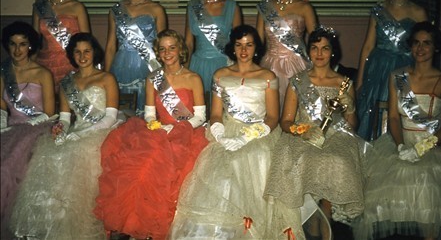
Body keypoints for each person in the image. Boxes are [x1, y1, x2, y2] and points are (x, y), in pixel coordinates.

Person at [353, 22, 441, 240]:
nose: (420, 49)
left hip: (433, 143)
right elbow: (393, 117)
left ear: (436, 48)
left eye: (426, 44)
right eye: (416, 43)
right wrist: (401, 145)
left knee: (429, 190)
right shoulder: (398, 76)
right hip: (400, 140)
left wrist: (420, 149)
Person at [169, 24, 282, 239]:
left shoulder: (268, 76)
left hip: (258, 132)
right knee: (218, 169)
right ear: (233, 47)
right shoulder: (220, 75)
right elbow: (216, 114)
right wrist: (220, 133)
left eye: (249, 45)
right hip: (227, 130)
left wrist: (247, 136)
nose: (243, 50)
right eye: (239, 45)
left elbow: (273, 117)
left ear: (256, 48)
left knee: (257, 157)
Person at [94, 29, 208, 239]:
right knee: (139, 170)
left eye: (172, 48)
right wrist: (156, 126)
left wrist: (178, 129)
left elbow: (200, 117)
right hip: (158, 133)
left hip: (187, 134)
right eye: (162, 49)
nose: (167, 53)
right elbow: (148, 114)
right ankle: (133, 224)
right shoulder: (153, 78)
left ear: (180, 50)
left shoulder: (193, 78)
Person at [9, 32, 123, 239]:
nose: (82, 56)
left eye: (86, 51)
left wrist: (82, 135)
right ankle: (56, 221)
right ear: (72, 55)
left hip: (104, 130)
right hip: (76, 130)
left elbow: (110, 117)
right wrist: (60, 129)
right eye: (77, 52)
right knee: (48, 154)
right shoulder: (67, 83)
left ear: (94, 53)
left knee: (78, 155)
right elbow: (63, 118)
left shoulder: (107, 78)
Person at [264, 27, 366, 240]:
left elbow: (352, 125)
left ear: (332, 52)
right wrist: (301, 132)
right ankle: (310, 222)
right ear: (308, 51)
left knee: (333, 160)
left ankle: (325, 218)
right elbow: (286, 121)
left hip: (336, 137)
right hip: (304, 134)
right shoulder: (298, 80)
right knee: (304, 158)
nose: (319, 54)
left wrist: (350, 108)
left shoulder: (344, 83)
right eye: (314, 48)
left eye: (325, 48)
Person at [356, 0, 428, 140]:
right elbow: (367, 47)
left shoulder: (419, 13)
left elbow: (425, 48)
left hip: (405, 67)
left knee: (399, 111)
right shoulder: (379, 11)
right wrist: (359, 81)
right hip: (378, 67)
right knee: (372, 111)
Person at [0, 21, 55, 238]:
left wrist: (24, 127)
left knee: (7, 168)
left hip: (38, 127)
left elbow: (50, 113)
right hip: (10, 129)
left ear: (30, 46)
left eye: (22, 44)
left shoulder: (42, 73)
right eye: (12, 44)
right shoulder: (3, 73)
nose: (17, 50)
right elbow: (2, 109)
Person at [105, 0, 167, 115]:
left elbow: (163, 46)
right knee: (121, 114)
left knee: (148, 113)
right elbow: (111, 46)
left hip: (148, 65)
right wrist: (104, 77)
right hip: (120, 65)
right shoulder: (115, 10)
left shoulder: (156, 9)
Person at [256, 0, 317, 109]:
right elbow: (257, 43)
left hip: (297, 64)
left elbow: (317, 41)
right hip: (269, 64)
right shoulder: (265, 6)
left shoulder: (304, 7)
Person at [185, 0, 242, 106]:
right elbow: (189, 44)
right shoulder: (192, 6)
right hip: (198, 65)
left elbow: (239, 44)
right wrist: (183, 71)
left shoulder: (232, 6)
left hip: (224, 65)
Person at [33, 0, 91, 91]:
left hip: (72, 63)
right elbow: (34, 42)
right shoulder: (39, 7)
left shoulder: (77, 7)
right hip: (45, 64)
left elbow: (87, 42)